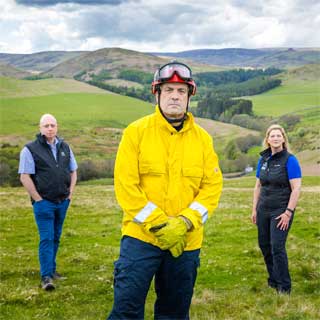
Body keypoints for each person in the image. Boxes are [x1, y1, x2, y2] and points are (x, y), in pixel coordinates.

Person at [108, 61, 223, 319]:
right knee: (126, 309)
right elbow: (126, 187)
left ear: (189, 96)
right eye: (169, 89)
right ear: (157, 93)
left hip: (186, 242)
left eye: (181, 91)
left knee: (174, 312)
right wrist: (159, 224)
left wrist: (185, 222)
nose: (175, 96)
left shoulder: (203, 139)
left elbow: (212, 187)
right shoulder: (135, 133)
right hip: (141, 238)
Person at [18, 114, 77, 291]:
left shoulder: (65, 146)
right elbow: (24, 176)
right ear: (40, 128)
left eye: (52, 125)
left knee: (56, 237)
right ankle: (46, 277)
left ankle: (52, 270)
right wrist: (38, 199)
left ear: (57, 127)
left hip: (62, 201)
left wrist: (70, 194)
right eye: (46, 125)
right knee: (46, 238)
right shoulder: (30, 149)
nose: (50, 128)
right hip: (44, 203)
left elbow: (73, 171)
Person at [251, 124, 301, 294]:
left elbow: (296, 188)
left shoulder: (290, 160)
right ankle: (273, 280)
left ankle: (284, 287)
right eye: (272, 136)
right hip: (263, 209)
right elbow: (258, 186)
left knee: (277, 247)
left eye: (278, 135)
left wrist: (288, 212)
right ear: (267, 139)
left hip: (281, 211)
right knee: (264, 245)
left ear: (283, 139)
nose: (275, 138)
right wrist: (254, 209)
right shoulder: (262, 160)